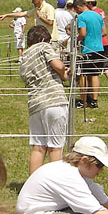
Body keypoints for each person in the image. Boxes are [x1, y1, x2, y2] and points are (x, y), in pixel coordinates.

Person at [19, 26, 68, 174]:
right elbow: (58, 65)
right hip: (54, 101)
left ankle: (33, 183)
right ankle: (54, 183)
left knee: (38, 147)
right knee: (55, 146)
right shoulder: (43, 46)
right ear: (42, 39)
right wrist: (63, 75)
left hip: (35, 104)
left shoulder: (24, 57)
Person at [73, 0, 105, 109]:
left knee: (83, 75)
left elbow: (83, 33)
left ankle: (84, 100)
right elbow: (104, 31)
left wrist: (76, 40)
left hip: (87, 49)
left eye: (76, 10)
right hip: (99, 48)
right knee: (95, 75)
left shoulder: (81, 17)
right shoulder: (98, 15)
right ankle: (94, 100)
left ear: (78, 7)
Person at [85, 0, 108, 97]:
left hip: (97, 43)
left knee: (96, 68)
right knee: (104, 65)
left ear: (90, 3)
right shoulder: (101, 11)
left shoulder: (93, 13)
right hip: (104, 42)